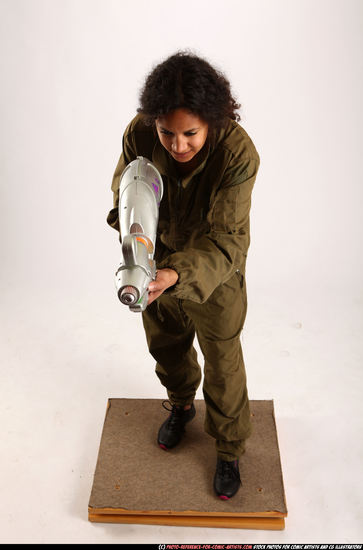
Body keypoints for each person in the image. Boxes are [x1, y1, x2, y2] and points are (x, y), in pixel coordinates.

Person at [107, 51, 260, 500]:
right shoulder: (138, 132)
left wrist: (178, 272)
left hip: (216, 268)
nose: (177, 145)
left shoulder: (237, 153)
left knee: (223, 360)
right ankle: (181, 404)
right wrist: (136, 242)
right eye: (166, 133)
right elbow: (125, 189)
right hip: (155, 262)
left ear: (212, 120)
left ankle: (229, 448)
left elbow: (229, 240)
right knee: (167, 344)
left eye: (190, 133)